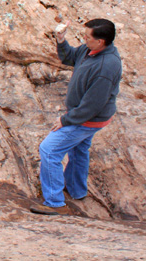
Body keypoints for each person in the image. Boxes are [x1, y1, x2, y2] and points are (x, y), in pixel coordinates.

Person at [30, 19, 122, 215]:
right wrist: (61, 40)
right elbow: (69, 57)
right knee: (79, 150)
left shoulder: (107, 66)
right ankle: (76, 189)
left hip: (88, 119)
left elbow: (93, 104)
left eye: (87, 37)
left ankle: (55, 203)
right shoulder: (90, 50)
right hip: (86, 116)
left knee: (48, 150)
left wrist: (66, 120)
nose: (84, 39)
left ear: (101, 41)